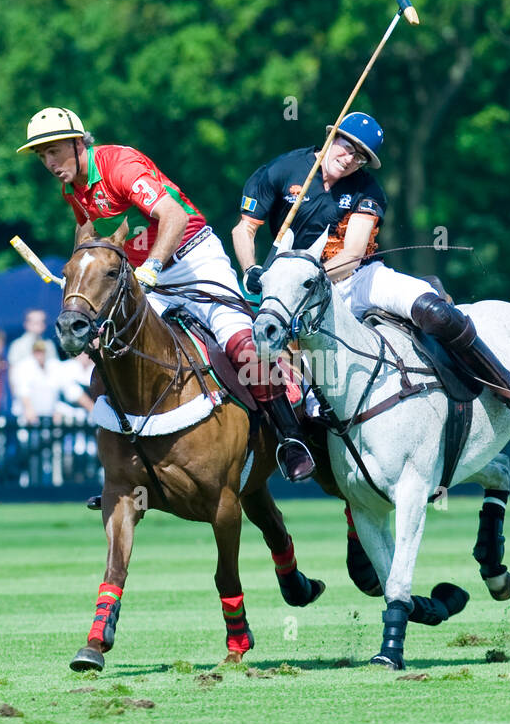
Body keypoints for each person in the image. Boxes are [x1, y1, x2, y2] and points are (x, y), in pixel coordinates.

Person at [17, 105, 317, 481]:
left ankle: (290, 441)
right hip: (145, 278)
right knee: (110, 351)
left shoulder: (118, 165)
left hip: (192, 260)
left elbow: (173, 217)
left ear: (79, 144)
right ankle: (124, 472)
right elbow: (93, 241)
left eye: (55, 150)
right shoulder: (72, 191)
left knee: (241, 344)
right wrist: (83, 282)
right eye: (43, 155)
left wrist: (152, 268)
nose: (49, 161)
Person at [232, 111, 510, 439]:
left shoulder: (366, 189)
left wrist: (310, 278)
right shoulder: (281, 170)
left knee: (435, 309)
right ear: (332, 137)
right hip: (292, 293)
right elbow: (244, 229)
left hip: (355, 280)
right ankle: (291, 444)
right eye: (347, 146)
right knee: (258, 358)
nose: (350, 158)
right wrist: (252, 269)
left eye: (361, 156)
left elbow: (353, 254)